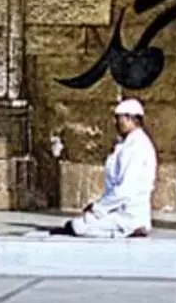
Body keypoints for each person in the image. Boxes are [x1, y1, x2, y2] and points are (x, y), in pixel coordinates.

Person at [54, 97, 158, 238]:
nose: (115, 123)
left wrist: (98, 209)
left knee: (77, 226)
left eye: (119, 118)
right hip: (119, 209)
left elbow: (125, 189)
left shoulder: (137, 146)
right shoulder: (127, 144)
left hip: (129, 214)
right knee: (77, 224)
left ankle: (132, 229)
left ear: (130, 118)